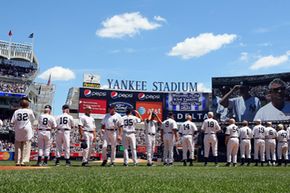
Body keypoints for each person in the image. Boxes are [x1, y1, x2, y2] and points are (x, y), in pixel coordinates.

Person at [11, 97, 35, 166]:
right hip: (26, 129)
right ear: (27, 104)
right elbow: (33, 120)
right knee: (26, 144)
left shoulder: (16, 111)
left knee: (18, 145)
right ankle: (23, 161)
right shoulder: (29, 111)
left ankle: (18, 161)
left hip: (18, 129)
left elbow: (12, 122)